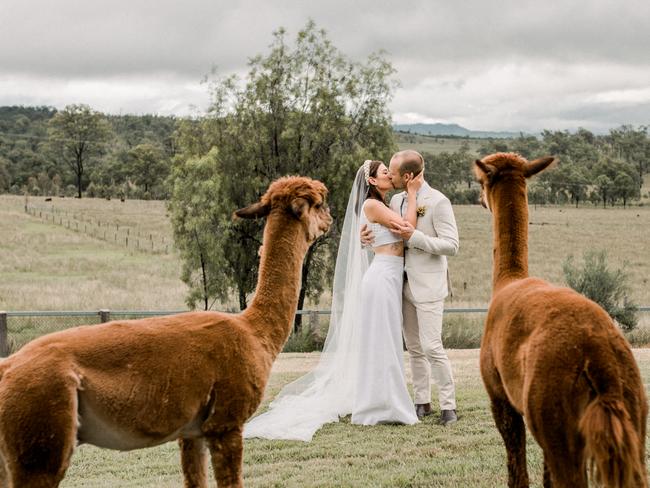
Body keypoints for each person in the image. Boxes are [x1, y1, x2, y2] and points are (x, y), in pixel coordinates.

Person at [243, 160, 420, 441]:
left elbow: (384, 234)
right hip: (383, 276)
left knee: (385, 341)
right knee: (383, 341)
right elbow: (408, 227)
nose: (389, 174)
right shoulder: (373, 206)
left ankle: (385, 402)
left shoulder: (383, 205)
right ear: (372, 181)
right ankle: (382, 407)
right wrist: (413, 193)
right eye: (384, 171)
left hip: (390, 275)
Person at [361, 150, 460, 426]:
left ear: (407, 176)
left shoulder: (438, 202)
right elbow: (390, 234)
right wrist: (366, 235)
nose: (390, 177)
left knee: (432, 346)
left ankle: (449, 406)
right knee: (414, 348)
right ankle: (421, 401)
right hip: (400, 284)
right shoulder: (395, 199)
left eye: (392, 173)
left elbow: (451, 245)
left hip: (428, 284)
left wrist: (416, 238)